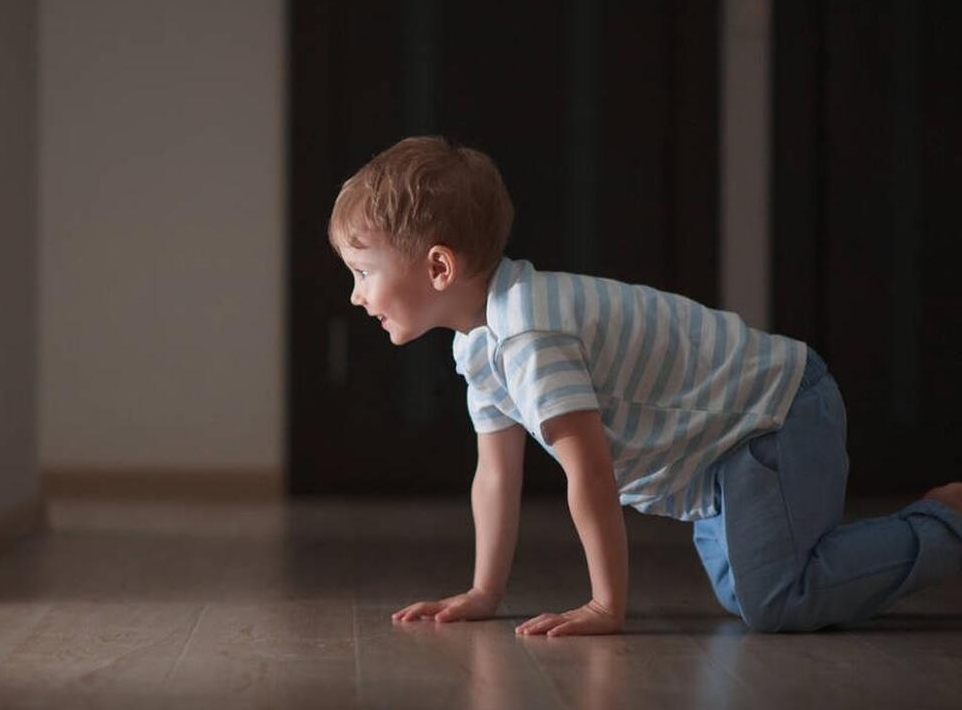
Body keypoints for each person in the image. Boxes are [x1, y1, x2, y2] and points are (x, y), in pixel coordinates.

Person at [326, 135, 962, 635]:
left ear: (439, 266)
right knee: (746, 593)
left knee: (776, 601)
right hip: (726, 450)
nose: (355, 295)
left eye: (361, 271)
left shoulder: (529, 332)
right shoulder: (480, 344)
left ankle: (947, 521)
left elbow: (591, 473)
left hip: (776, 410)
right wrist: (484, 593)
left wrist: (607, 605)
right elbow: (496, 475)